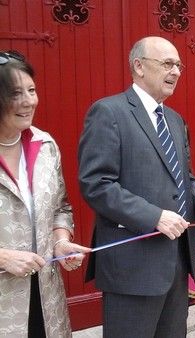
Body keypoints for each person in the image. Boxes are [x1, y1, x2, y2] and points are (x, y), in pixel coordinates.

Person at [78, 36, 195, 337]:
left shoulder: (174, 120)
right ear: (138, 66)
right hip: (132, 267)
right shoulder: (108, 112)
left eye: (179, 65)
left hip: (176, 264)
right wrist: (154, 216)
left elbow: (184, 179)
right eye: (167, 64)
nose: (175, 71)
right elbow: (96, 184)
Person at [0, 51, 90, 337]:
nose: (28, 101)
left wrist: (61, 241)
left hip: (45, 298)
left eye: (31, 90)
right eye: (15, 93)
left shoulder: (45, 145)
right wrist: (2, 257)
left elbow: (61, 207)